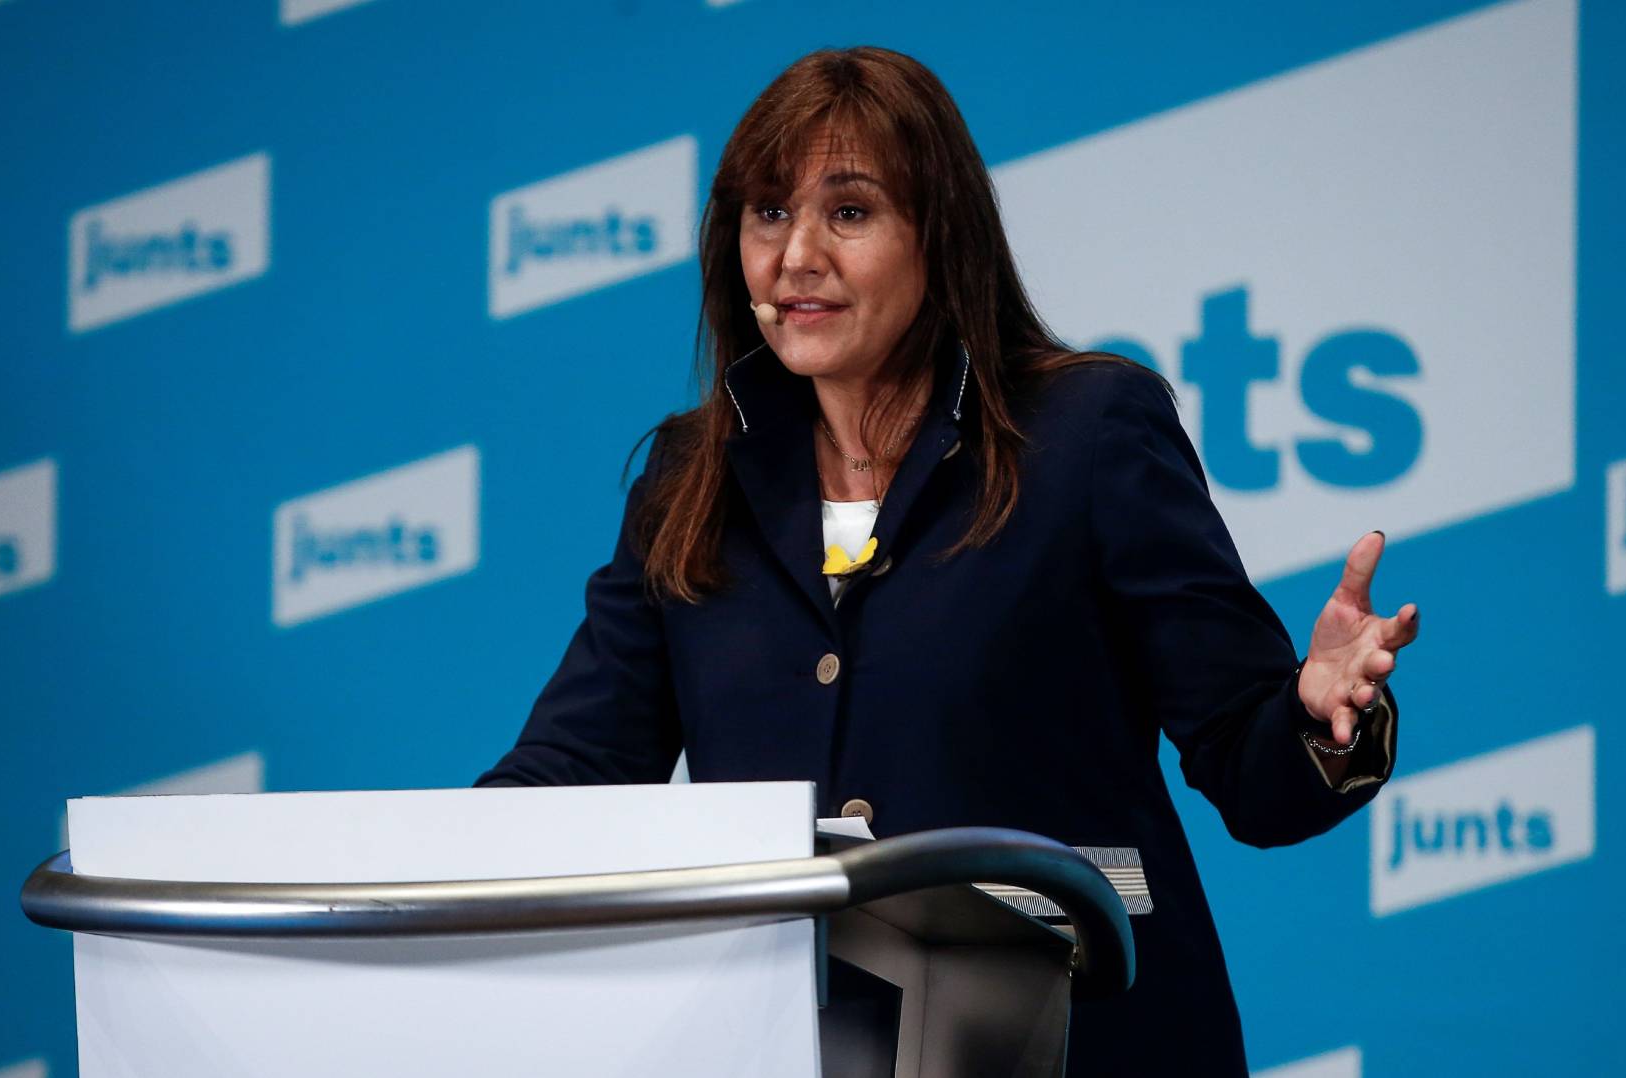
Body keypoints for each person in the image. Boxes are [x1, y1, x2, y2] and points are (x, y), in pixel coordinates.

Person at [477, 46, 1420, 1075]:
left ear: (939, 233)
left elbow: (1251, 768)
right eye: (767, 213)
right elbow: (575, 772)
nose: (795, 257)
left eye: (848, 212)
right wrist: (413, 861)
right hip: (792, 1045)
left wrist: (1322, 713)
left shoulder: (1086, 432)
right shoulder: (689, 477)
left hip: (1079, 1037)